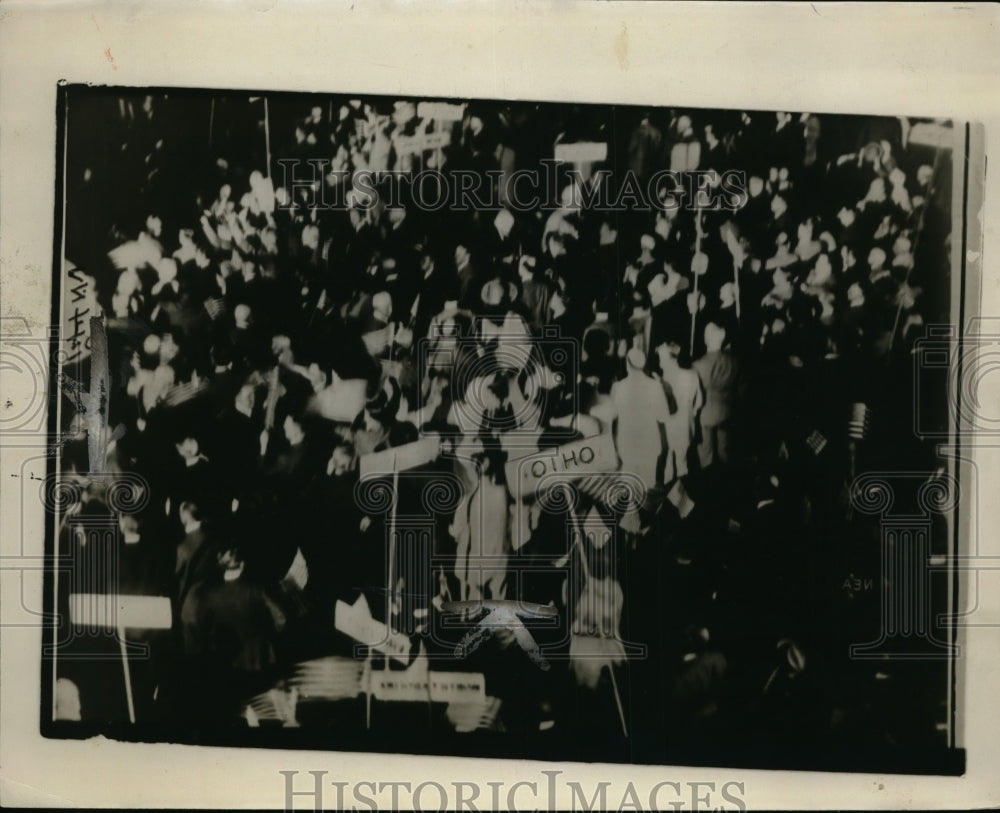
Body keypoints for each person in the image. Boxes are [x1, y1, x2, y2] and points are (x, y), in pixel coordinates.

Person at [610, 346, 671, 491]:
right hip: (649, 445)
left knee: (628, 491)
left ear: (627, 364)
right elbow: (664, 417)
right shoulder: (655, 386)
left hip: (626, 445)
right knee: (647, 490)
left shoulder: (618, 387)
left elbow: (612, 418)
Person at [693, 321, 741, 470]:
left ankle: (707, 483)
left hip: (705, 413)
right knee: (725, 453)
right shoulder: (734, 361)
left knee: (705, 454)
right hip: (728, 411)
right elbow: (741, 388)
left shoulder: (698, 365)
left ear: (706, 339)